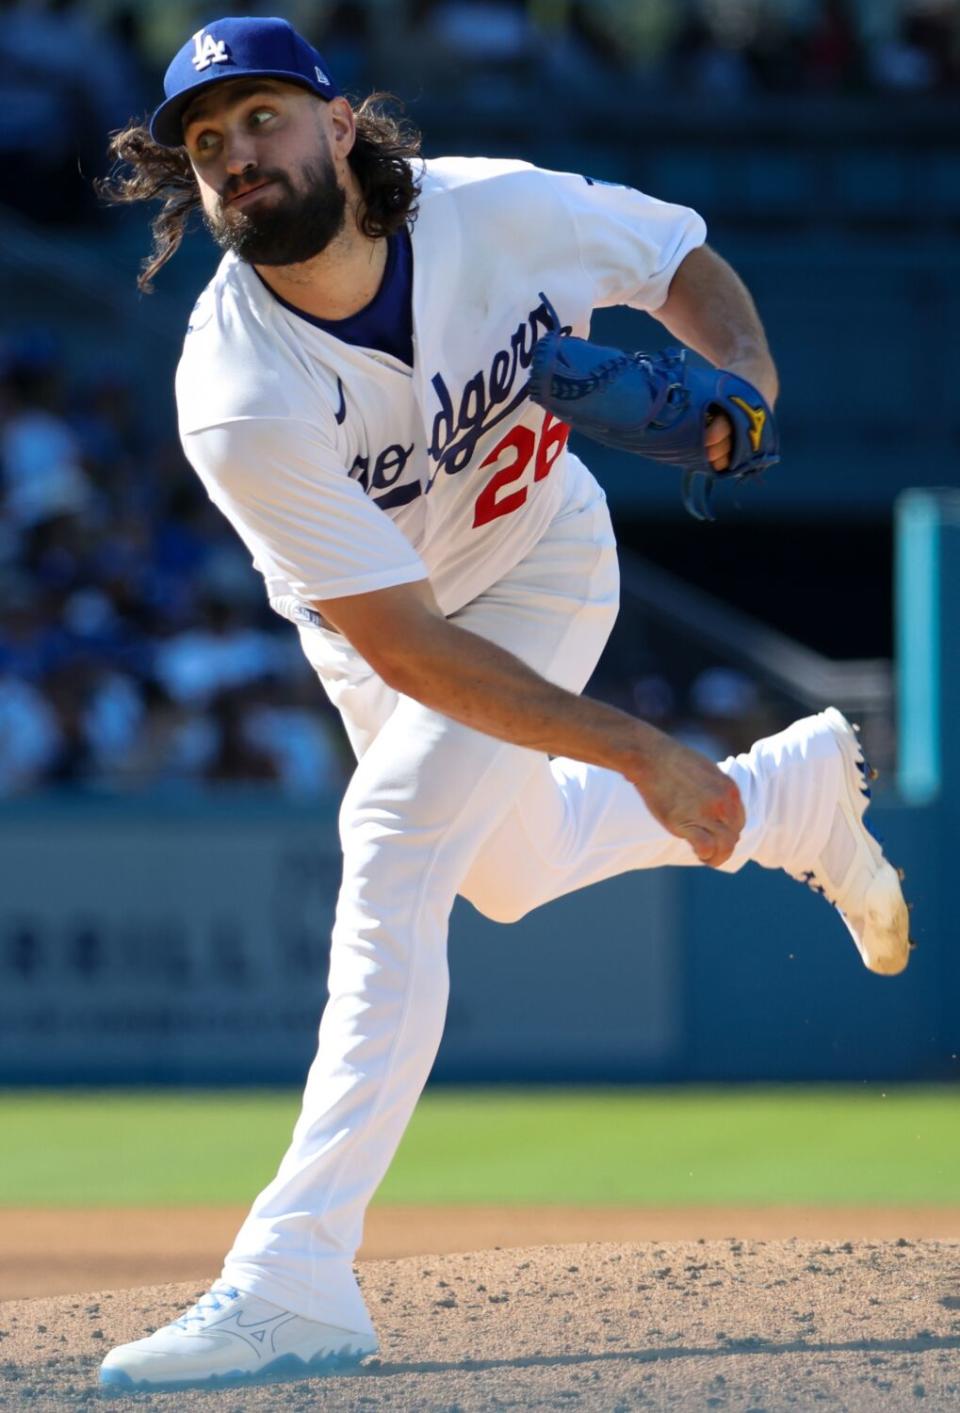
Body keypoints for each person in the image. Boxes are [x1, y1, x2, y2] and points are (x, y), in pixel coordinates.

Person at [96, 15, 911, 1393]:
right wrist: (648, 752)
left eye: (263, 118)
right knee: (514, 871)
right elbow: (408, 647)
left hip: (540, 555)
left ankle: (293, 1274)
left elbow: (677, 259)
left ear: (340, 126)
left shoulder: (497, 211)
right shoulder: (234, 384)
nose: (238, 154)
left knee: (395, 848)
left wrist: (744, 393)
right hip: (393, 637)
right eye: (207, 141)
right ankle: (784, 796)